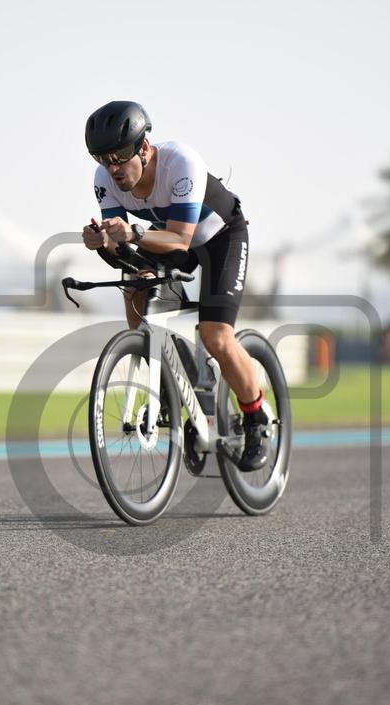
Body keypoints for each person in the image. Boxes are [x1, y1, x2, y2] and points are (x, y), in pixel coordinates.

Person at [82, 100, 269, 472]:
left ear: (144, 147)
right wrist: (102, 242)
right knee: (136, 291)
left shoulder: (180, 163)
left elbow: (180, 241)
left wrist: (133, 233)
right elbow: (123, 248)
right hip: (163, 239)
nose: (113, 168)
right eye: (102, 159)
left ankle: (255, 416)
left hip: (220, 238)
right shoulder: (105, 180)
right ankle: (175, 380)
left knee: (216, 337)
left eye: (119, 156)